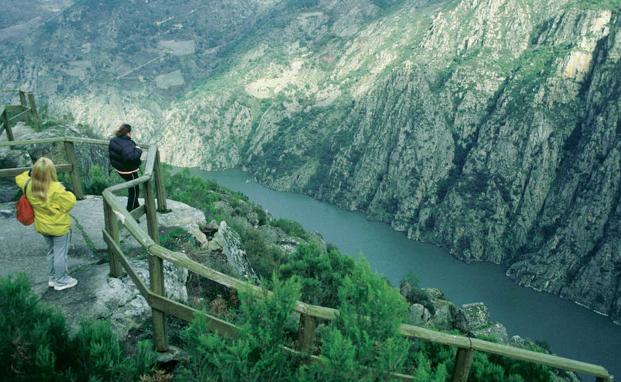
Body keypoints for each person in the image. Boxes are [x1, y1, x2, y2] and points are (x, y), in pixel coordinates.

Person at [15, 157, 78, 291]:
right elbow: (70, 202)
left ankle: (52, 278)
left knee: (51, 252)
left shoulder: (28, 184)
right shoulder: (56, 188)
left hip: (42, 226)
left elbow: (19, 177)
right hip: (59, 227)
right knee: (61, 254)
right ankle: (62, 280)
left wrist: (31, 173)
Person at [108, 123, 142, 211]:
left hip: (120, 169)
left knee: (133, 189)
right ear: (128, 133)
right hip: (129, 171)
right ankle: (131, 212)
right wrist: (138, 149)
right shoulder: (126, 143)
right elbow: (132, 157)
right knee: (134, 190)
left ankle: (136, 206)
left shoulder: (114, 140)